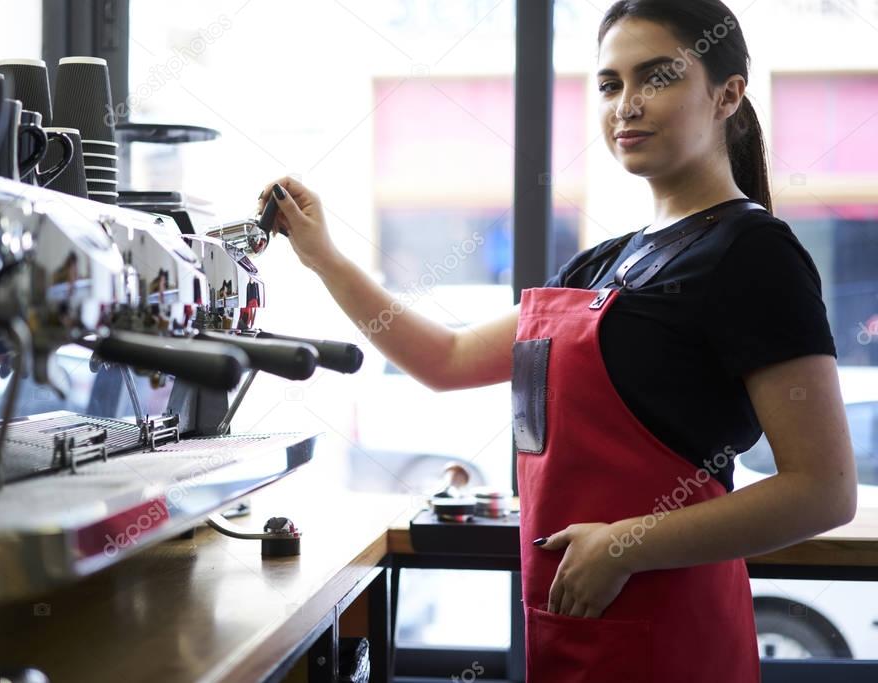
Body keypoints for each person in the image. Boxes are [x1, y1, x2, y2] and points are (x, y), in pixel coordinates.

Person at [257, 1, 857, 680]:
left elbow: (823, 488)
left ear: (728, 93)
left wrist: (625, 545)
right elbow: (444, 360)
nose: (626, 105)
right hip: (575, 627)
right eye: (610, 84)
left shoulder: (752, 254)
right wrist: (323, 256)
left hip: (673, 636)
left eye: (656, 77)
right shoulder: (600, 263)